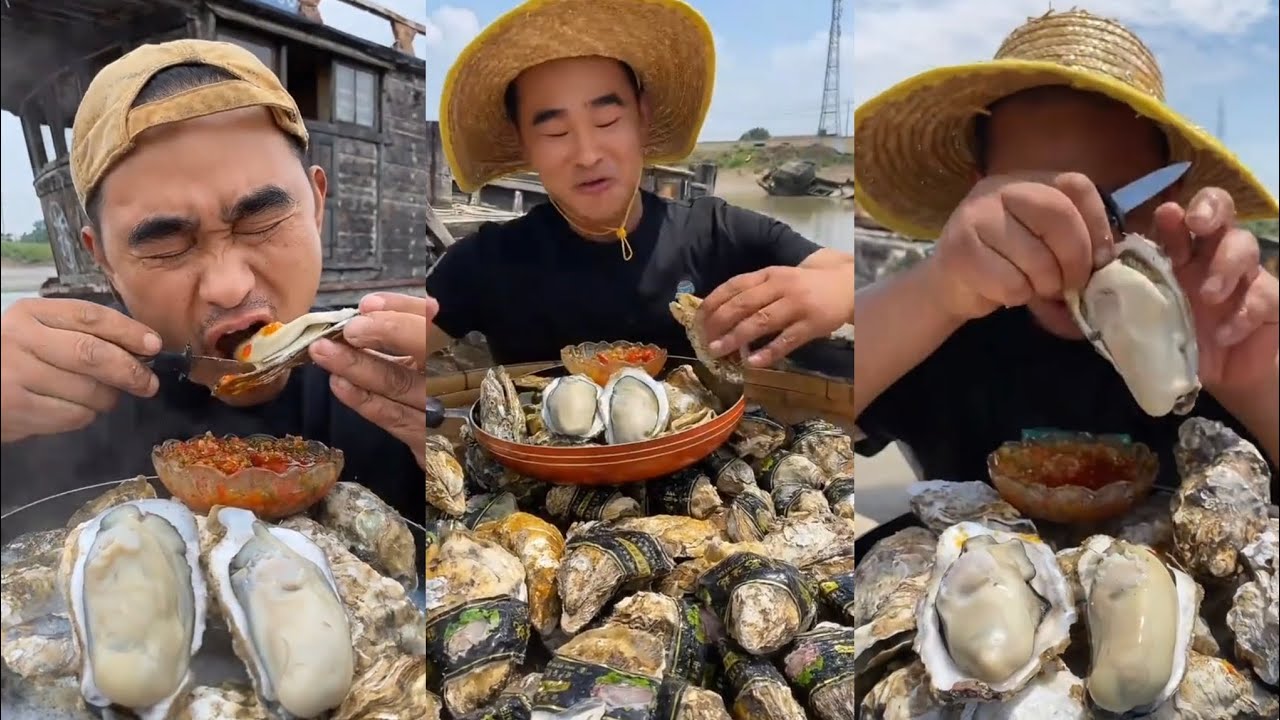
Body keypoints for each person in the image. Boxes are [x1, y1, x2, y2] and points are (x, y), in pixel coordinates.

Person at [852, 10, 1279, 493]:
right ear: (977, 196)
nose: (1072, 247)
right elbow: (807, 404)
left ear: (1167, 198)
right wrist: (934, 293)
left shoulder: (1222, 324)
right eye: (1029, 213)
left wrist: (1259, 386)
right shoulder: (942, 330)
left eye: (1109, 208)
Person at [0, 40, 427, 522]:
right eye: (167, 244)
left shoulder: (403, 389)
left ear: (316, 204)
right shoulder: (48, 400)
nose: (228, 286)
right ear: (104, 261)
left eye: (262, 221)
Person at [425, 0, 854, 373]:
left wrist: (834, 290)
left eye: (608, 120)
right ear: (523, 143)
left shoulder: (716, 233)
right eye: (555, 132)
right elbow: (409, 334)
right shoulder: (486, 262)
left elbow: (844, 274)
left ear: (642, 117)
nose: (588, 153)